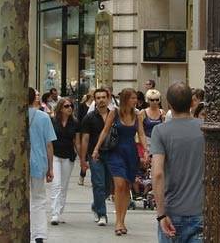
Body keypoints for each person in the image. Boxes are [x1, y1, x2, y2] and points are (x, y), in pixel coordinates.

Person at [152, 82, 204, 242]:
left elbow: (158, 173)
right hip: (201, 211)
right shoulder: (206, 129)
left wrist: (161, 214)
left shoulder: (160, 131)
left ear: (168, 104)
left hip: (173, 210)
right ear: (192, 103)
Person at [92, 88, 149, 236]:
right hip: (115, 152)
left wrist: (146, 151)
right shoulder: (114, 113)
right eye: (132, 98)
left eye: (136, 98)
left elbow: (141, 133)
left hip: (131, 153)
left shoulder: (137, 115)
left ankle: (122, 220)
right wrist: (96, 148)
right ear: (125, 99)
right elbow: (105, 131)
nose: (135, 101)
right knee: (119, 185)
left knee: (126, 187)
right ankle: (118, 221)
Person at [79, 88, 112, 227]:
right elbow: (85, 139)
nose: (101, 100)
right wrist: (82, 160)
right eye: (98, 98)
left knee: (109, 187)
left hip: (112, 154)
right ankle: (102, 213)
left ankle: (96, 204)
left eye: (103, 97)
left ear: (108, 98)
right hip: (95, 155)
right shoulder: (89, 118)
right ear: (94, 100)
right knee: (98, 184)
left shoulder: (114, 115)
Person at [28, 87, 56, 243]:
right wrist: (50, 168)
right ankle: (39, 234)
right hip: (38, 162)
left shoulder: (13, 116)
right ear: (34, 99)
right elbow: (49, 145)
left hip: (19, 164)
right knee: (38, 199)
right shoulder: (43, 117)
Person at [50, 97, 79, 225]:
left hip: (68, 156)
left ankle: (60, 210)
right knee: (56, 185)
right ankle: (54, 213)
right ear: (60, 108)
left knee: (64, 185)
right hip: (55, 155)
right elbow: (49, 141)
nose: (69, 108)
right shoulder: (52, 121)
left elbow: (77, 142)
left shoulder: (75, 123)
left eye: (71, 106)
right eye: (66, 106)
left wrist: (83, 160)